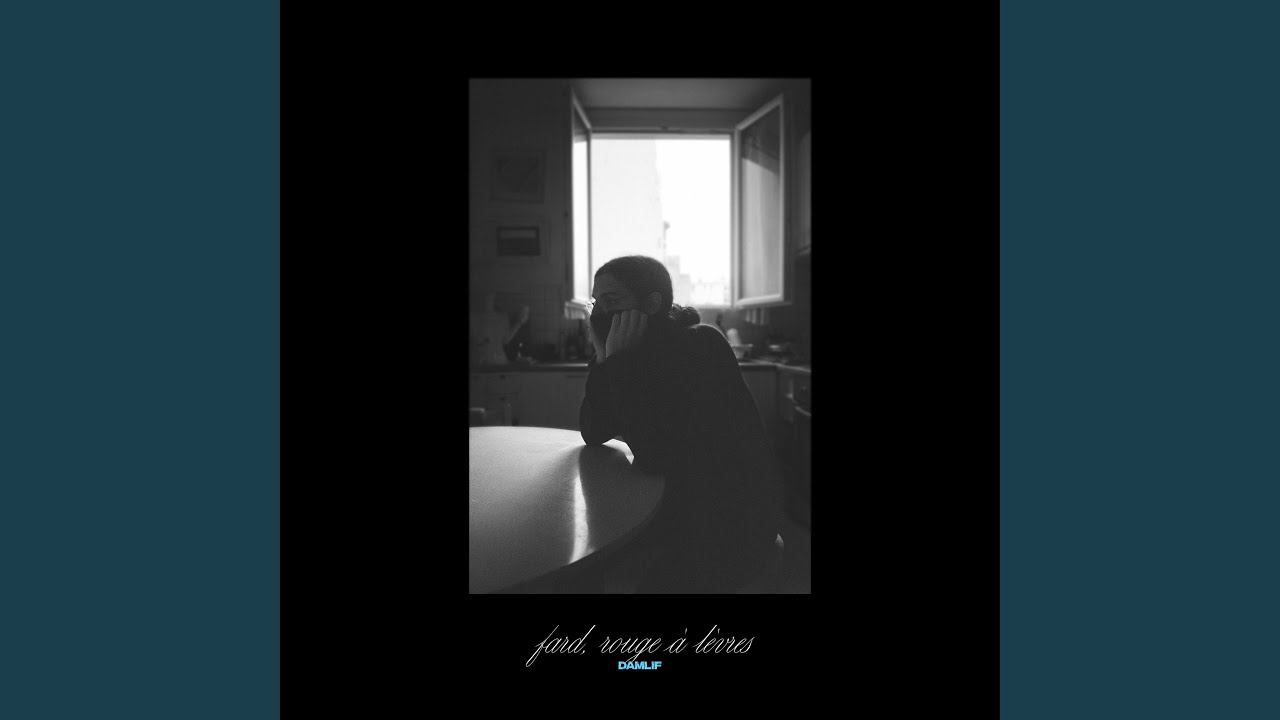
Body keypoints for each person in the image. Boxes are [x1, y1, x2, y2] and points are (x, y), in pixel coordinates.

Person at [578, 255, 782, 593]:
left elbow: (653, 454)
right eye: (595, 303)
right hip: (681, 506)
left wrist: (619, 365)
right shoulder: (630, 352)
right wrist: (603, 358)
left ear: (651, 304)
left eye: (611, 301)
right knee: (589, 562)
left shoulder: (700, 345)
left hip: (734, 520)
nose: (599, 314)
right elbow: (593, 431)